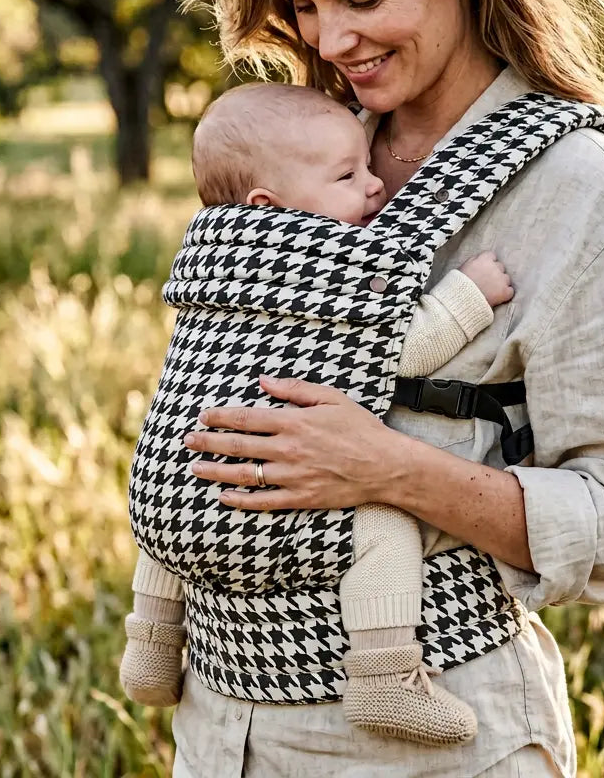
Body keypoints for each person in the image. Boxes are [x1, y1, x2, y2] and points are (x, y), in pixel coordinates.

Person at [162, 0, 604, 778]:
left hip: (439, 740)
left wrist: (388, 470)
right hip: (224, 730)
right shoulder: (312, 140)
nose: (327, 41)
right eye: (305, 6)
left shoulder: (576, 189)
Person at [120, 83, 516, 747]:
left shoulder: (210, 262)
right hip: (271, 483)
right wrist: (470, 296)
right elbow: (401, 349)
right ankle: (384, 676)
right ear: (269, 208)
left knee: (170, 520)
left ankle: (153, 647)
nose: (374, 188)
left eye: (367, 167)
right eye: (346, 175)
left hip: (171, 479)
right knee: (387, 524)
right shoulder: (321, 263)